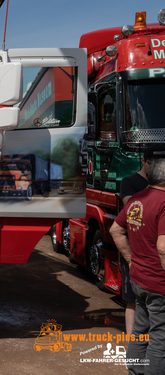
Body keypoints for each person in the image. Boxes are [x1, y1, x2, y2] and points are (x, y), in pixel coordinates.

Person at [110, 157, 165, 375]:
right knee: (160, 337)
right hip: (159, 284)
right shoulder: (163, 202)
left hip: (139, 279)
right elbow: (163, 247)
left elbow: (115, 229)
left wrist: (132, 260)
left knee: (141, 331)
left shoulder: (138, 199)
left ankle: (134, 371)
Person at [119, 145, 165, 336]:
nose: (157, 166)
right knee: (133, 300)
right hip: (136, 249)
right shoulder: (129, 182)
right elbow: (130, 207)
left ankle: (137, 355)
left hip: (153, 257)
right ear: (144, 161)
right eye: (154, 163)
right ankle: (132, 342)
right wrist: (154, 188)